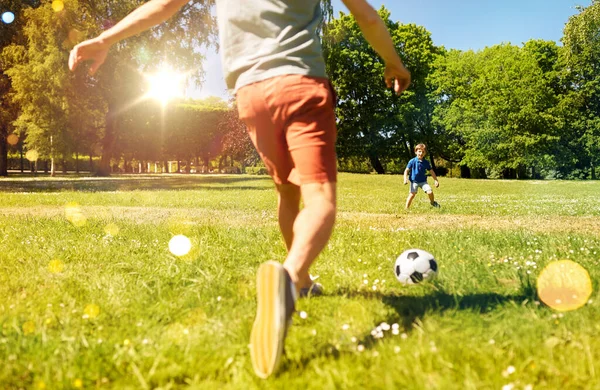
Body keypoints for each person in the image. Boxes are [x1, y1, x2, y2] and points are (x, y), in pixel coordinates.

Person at [69, 0, 411, 378]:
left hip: (250, 96)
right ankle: (291, 278)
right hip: (300, 84)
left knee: (287, 193)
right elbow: (365, 14)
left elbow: (163, 6)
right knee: (321, 200)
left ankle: (304, 283)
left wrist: (105, 38)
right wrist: (393, 63)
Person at [403, 143, 440, 209]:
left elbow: (431, 171)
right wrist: (405, 179)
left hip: (423, 181)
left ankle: (432, 202)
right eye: (419, 151)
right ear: (416, 152)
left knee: (430, 192)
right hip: (414, 181)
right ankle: (406, 209)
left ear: (425, 153)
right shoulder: (412, 161)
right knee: (412, 194)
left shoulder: (426, 162)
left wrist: (436, 180)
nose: (421, 153)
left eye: (423, 152)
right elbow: (406, 170)